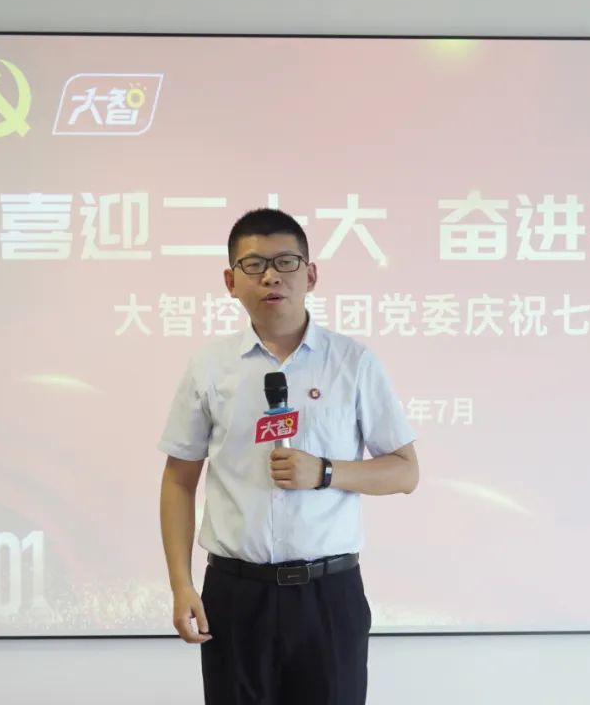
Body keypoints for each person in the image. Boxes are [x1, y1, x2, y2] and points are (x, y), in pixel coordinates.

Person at [158, 208, 419, 705]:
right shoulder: (210, 367)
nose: (271, 276)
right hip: (235, 593)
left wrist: (324, 471)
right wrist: (180, 584)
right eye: (254, 265)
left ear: (311, 274)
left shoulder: (353, 363)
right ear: (231, 282)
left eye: (285, 261)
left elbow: (406, 472)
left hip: (329, 594)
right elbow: (178, 480)